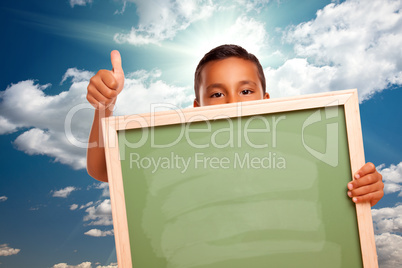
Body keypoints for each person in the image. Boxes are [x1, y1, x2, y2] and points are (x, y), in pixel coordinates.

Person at [86, 44, 384, 206]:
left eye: (245, 91)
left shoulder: (304, 154)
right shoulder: (180, 156)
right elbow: (101, 169)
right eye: (216, 94)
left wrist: (365, 188)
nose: (232, 103)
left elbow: (339, 194)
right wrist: (104, 107)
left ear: (266, 99)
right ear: (197, 108)